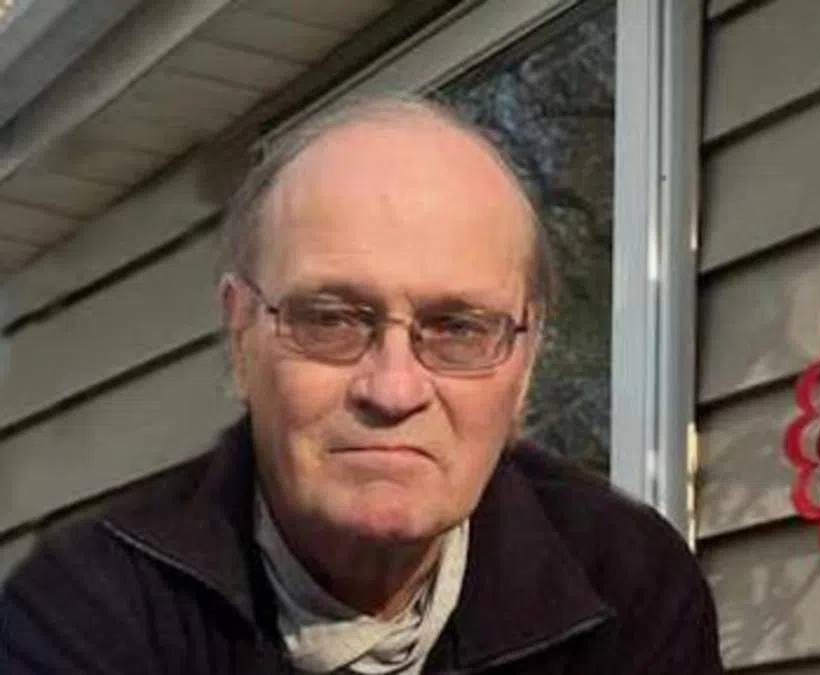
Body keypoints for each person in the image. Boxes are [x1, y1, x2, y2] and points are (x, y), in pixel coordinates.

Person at [0, 96, 722, 674]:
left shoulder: (628, 586)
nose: (394, 389)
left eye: (458, 328)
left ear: (525, 361)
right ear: (240, 336)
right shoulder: (85, 611)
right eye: (331, 320)